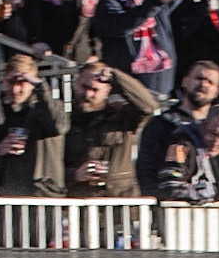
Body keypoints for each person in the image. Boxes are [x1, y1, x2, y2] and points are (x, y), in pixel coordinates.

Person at [94, 0, 182, 96]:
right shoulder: (106, 6)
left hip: (164, 87)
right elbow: (122, 25)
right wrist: (156, 2)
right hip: (129, 93)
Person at [65, 56, 160, 196]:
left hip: (121, 201)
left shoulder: (121, 117)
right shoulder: (66, 120)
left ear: (107, 91)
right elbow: (54, 166)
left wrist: (116, 75)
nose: (87, 94)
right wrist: (74, 174)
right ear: (76, 83)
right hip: (82, 200)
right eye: (83, 87)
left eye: (94, 89)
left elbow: (149, 107)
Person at [0, 53, 65, 194]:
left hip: (45, 193)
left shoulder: (48, 107)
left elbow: (59, 127)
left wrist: (40, 86)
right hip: (10, 194)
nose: (15, 89)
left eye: (22, 82)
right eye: (11, 82)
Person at [135, 57, 219, 196]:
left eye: (210, 82)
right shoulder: (162, 124)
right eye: (199, 78)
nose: (204, 84)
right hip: (170, 207)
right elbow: (146, 170)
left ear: (217, 91)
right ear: (185, 81)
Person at [157, 101, 219, 201]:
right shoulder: (180, 145)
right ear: (202, 125)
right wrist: (216, 190)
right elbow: (168, 188)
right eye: (212, 133)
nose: (216, 141)